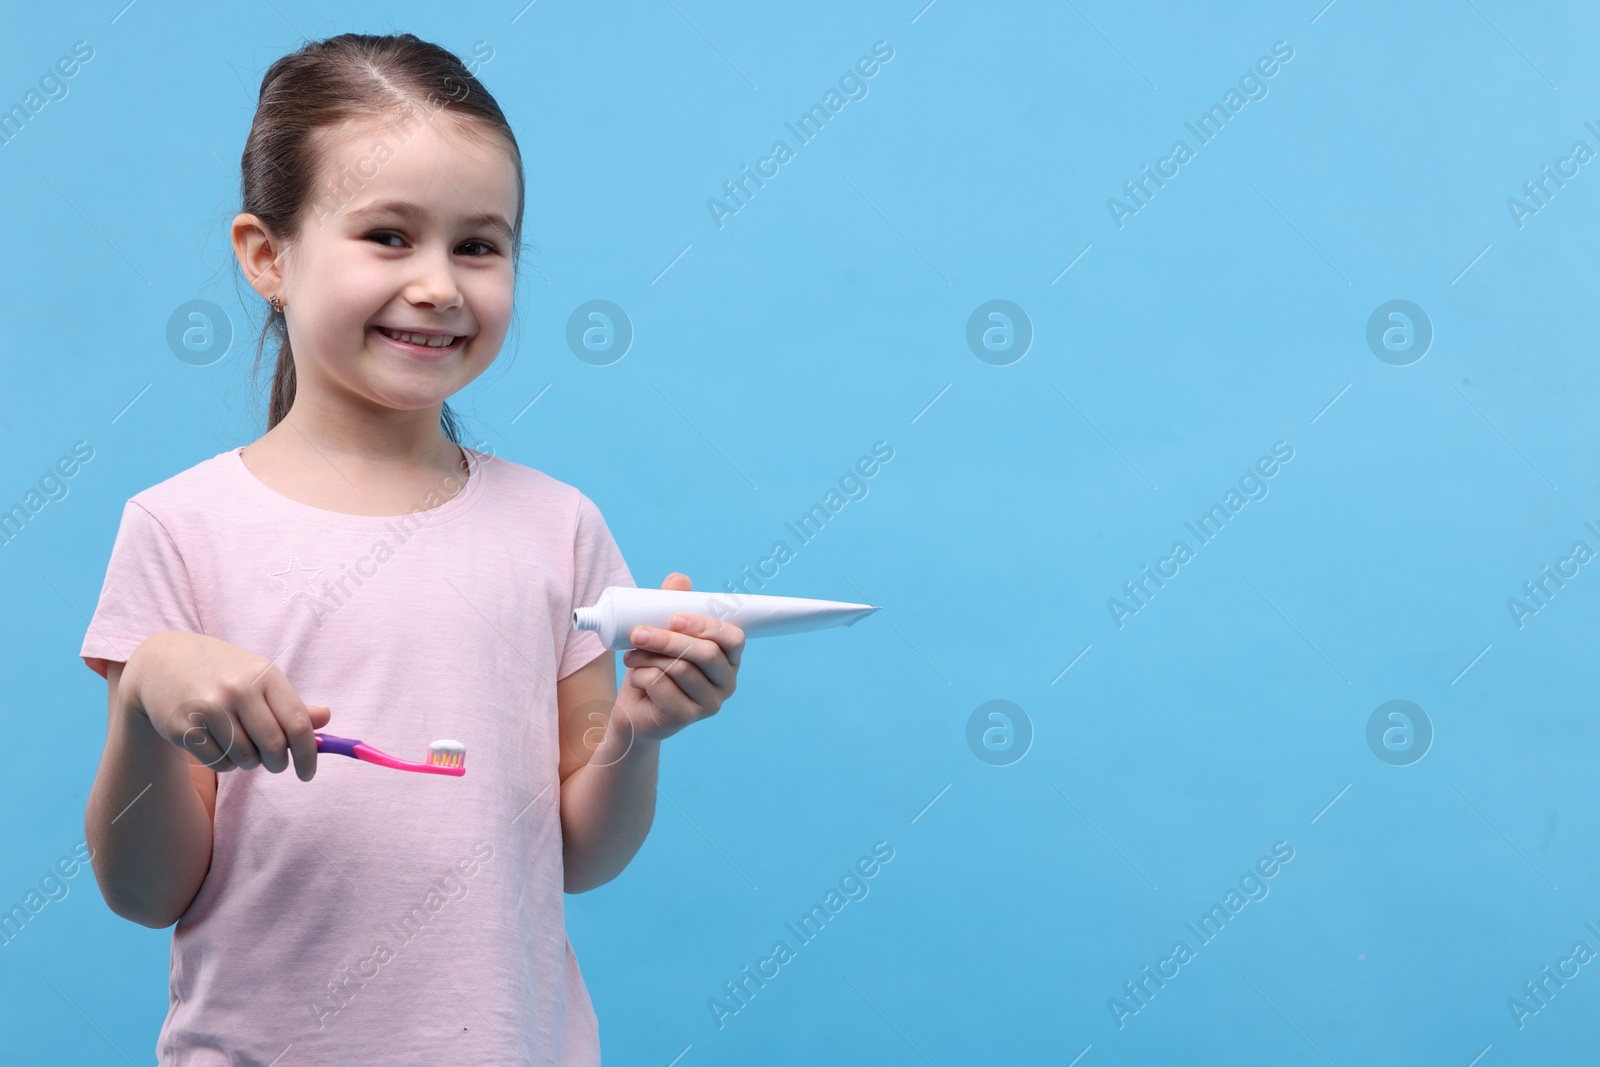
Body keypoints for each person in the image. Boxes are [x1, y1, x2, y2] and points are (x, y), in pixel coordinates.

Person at [79, 32, 744, 1064]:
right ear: (267, 255)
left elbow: (579, 854)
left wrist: (641, 731)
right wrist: (144, 698)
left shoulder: (557, 528)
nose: (439, 284)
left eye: (479, 246)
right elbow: (141, 887)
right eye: (389, 236)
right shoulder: (180, 528)